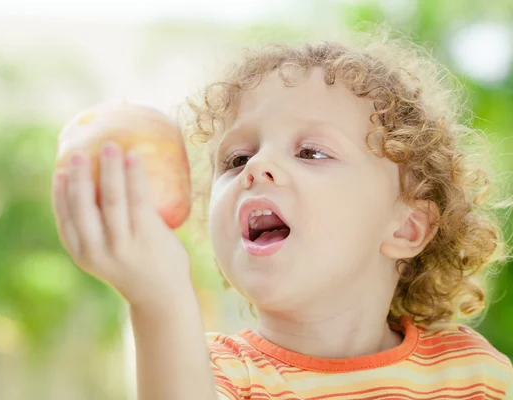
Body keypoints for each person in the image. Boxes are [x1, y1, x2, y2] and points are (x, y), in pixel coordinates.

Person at [51, 26, 513, 400]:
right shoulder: (216, 376)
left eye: (311, 152)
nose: (256, 167)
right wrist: (160, 301)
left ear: (408, 226)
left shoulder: (473, 374)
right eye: (235, 159)